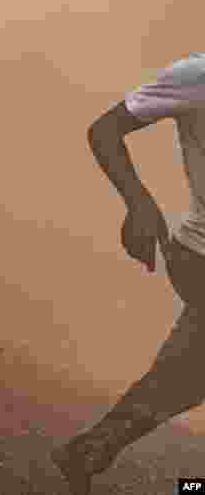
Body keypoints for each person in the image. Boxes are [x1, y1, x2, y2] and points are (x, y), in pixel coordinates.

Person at [51, 53, 205, 495]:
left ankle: (88, 452)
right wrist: (138, 202)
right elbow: (105, 129)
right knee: (185, 374)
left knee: (185, 377)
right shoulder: (196, 75)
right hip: (199, 256)